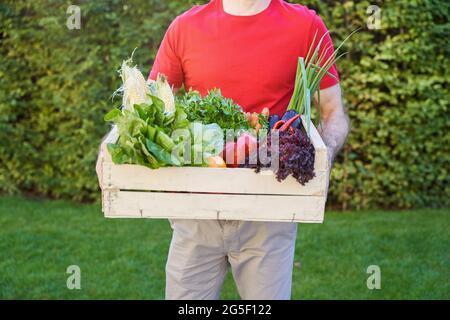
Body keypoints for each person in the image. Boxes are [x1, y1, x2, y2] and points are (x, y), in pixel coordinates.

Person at [97, 0, 349, 300]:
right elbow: (146, 108)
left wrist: (325, 156)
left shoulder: (305, 25)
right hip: (196, 212)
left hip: (268, 213)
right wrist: (112, 146)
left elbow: (333, 114)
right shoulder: (185, 28)